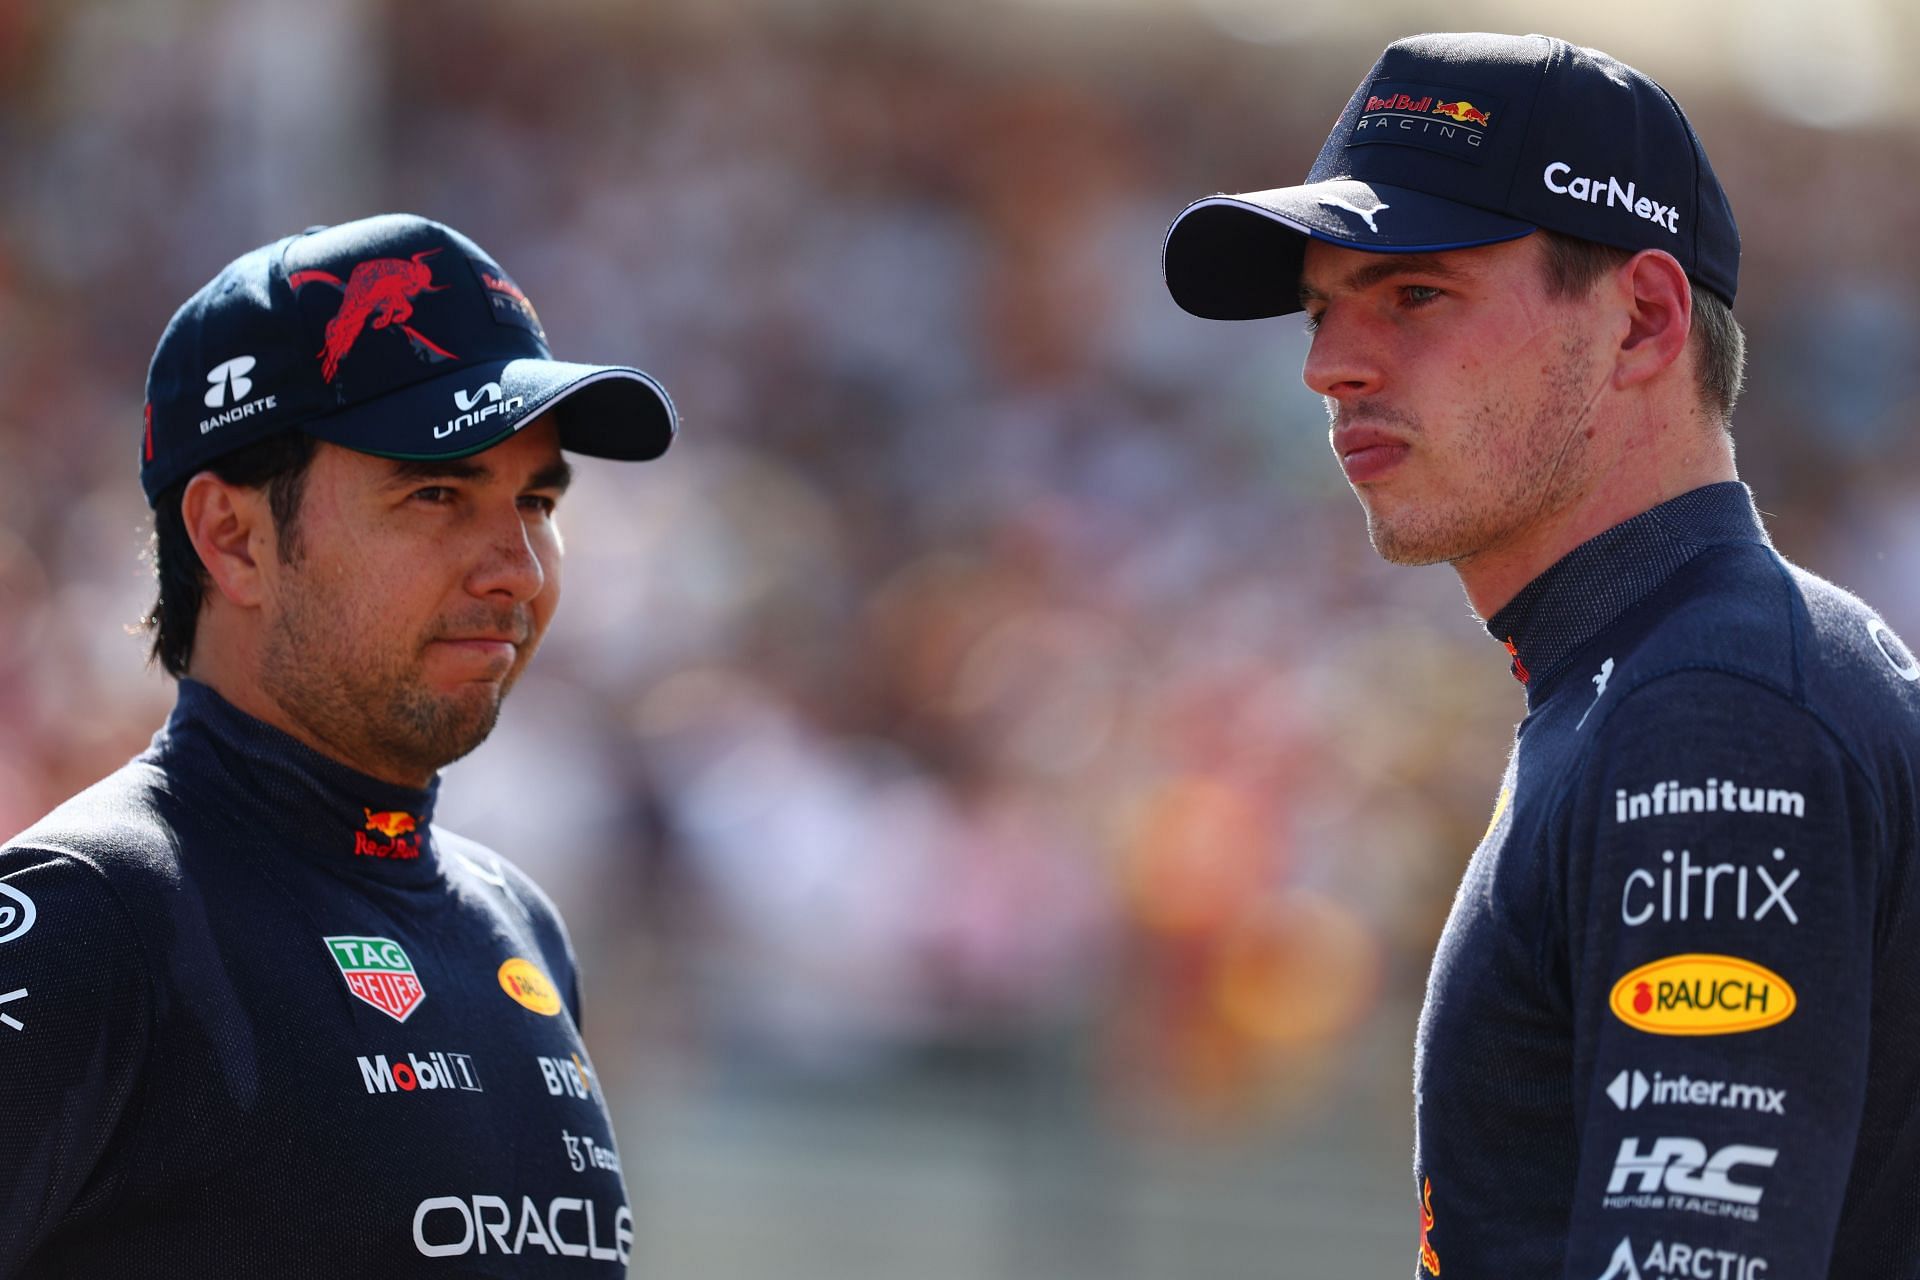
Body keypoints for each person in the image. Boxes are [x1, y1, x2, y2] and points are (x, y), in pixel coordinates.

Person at [1163, 32, 1920, 1280]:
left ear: (1643, 320)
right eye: (1321, 306)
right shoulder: (1674, 674)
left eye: (1415, 293)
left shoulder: (1712, 706)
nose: (1327, 366)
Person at [0, 213, 676, 1274]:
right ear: (234, 537)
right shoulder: (92, 918)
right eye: (439, 492)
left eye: (537, 499)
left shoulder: (521, 927)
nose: (519, 568)